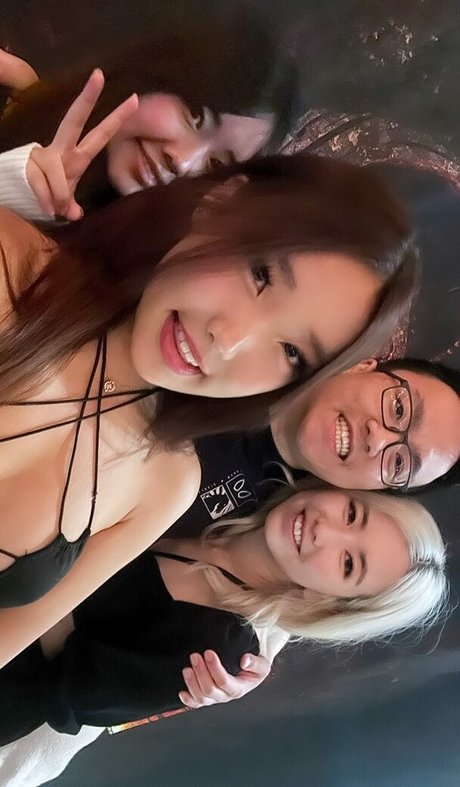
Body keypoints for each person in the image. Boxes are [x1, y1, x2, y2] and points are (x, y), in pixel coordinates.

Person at [0, 481, 447, 744]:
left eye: (348, 564)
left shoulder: (218, 652)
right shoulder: (234, 492)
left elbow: (60, 695)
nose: (324, 530)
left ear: (329, 602)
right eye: (352, 512)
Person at [0, 0, 298, 219]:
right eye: (196, 116)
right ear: (154, 74)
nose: (184, 163)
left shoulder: (121, 273)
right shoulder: (17, 94)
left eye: (215, 164)